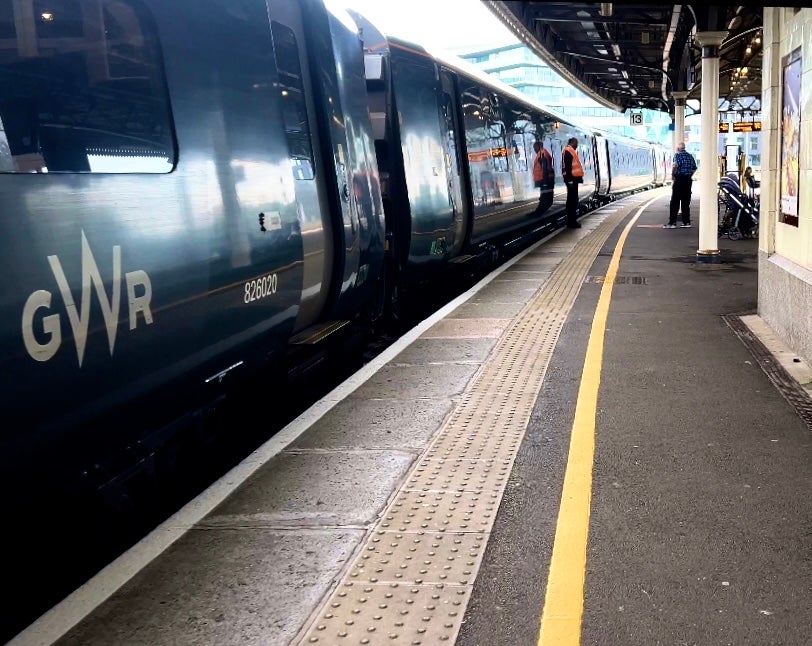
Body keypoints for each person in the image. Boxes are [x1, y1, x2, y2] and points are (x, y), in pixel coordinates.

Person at [665, 142, 697, 228]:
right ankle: (686, 222)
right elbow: (694, 168)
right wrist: (689, 175)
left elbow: (675, 165)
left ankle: (672, 223)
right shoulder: (690, 156)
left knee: (675, 202)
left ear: (678, 148)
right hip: (688, 181)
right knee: (685, 202)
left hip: (679, 179)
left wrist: (672, 175)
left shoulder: (677, 155)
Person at [561, 137, 584, 228]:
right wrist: (570, 180)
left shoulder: (570, 151)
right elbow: (568, 167)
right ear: (573, 142)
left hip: (573, 180)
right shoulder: (568, 151)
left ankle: (572, 221)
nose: (577, 145)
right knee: (572, 201)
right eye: (576, 143)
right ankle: (571, 222)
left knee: (573, 200)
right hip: (572, 180)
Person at [532, 141, 554, 213]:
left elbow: (544, 168)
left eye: (535, 148)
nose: (534, 150)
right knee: (546, 196)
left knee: (545, 197)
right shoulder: (543, 153)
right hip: (546, 179)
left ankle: (539, 212)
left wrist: (544, 182)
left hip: (545, 179)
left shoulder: (542, 154)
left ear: (538, 147)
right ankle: (539, 211)